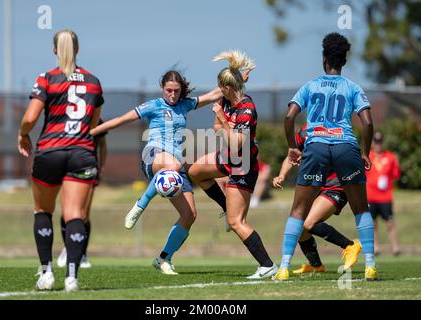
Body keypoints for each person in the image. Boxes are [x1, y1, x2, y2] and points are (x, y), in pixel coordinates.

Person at [90, 67, 252, 275]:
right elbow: (121, 120)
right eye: (169, 90)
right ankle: (140, 206)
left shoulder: (184, 105)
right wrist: (91, 132)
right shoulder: (153, 105)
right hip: (154, 157)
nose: (173, 95)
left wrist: (237, 80)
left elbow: (214, 94)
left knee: (190, 214)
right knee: (175, 165)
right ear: (162, 88)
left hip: (174, 165)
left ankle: (163, 259)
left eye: (176, 91)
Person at [272, 32, 377, 281]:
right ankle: (371, 267)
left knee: (298, 210)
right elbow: (368, 123)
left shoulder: (311, 85)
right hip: (345, 147)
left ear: (323, 59)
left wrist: (292, 146)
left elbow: (289, 117)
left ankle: (284, 268)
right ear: (344, 61)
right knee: (361, 209)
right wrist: (366, 152)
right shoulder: (352, 87)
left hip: (316, 146)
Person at [18, 29, 104, 292]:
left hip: (50, 151)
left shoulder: (47, 79)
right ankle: (72, 278)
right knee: (75, 214)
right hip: (82, 152)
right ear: (77, 49)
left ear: (55, 50)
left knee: (43, 211)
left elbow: (31, 118)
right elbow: (93, 123)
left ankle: (46, 273)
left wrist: (22, 134)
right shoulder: (93, 81)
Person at [188, 50, 278, 279]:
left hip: (243, 165)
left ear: (229, 88)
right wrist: (223, 122)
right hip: (227, 158)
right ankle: (224, 205)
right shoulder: (226, 101)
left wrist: (223, 120)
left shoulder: (246, 111)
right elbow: (217, 129)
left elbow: (237, 144)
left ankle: (267, 265)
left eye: (221, 87)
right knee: (196, 171)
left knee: (236, 222)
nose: (219, 91)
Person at [272, 124, 361, 274]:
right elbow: (291, 156)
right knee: (299, 228)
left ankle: (350, 245)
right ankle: (316, 265)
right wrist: (282, 175)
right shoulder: (304, 131)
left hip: (336, 185)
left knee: (308, 223)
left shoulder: (338, 130)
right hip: (316, 187)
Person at [57, 119, 108, 269]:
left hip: (88, 169)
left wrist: (102, 167)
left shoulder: (96, 120)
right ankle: (68, 248)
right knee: (66, 212)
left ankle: (82, 253)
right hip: (66, 168)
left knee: (83, 214)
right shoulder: (64, 118)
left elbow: (103, 145)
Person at [366, 131, 401, 256]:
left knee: (390, 222)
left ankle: (395, 247)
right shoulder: (367, 156)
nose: (378, 145)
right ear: (372, 143)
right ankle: (376, 247)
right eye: (376, 142)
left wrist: (397, 164)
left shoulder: (390, 157)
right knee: (373, 223)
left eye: (380, 142)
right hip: (371, 196)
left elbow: (396, 175)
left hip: (385, 196)